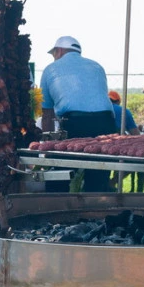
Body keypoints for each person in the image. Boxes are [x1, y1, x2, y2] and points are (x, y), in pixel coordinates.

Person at [40, 35, 117, 192]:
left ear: (59, 51)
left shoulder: (50, 69)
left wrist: (46, 144)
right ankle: (95, 214)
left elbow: (47, 113)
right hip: (106, 123)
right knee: (97, 178)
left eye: (54, 54)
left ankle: (56, 214)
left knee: (58, 176)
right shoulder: (97, 66)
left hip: (74, 123)